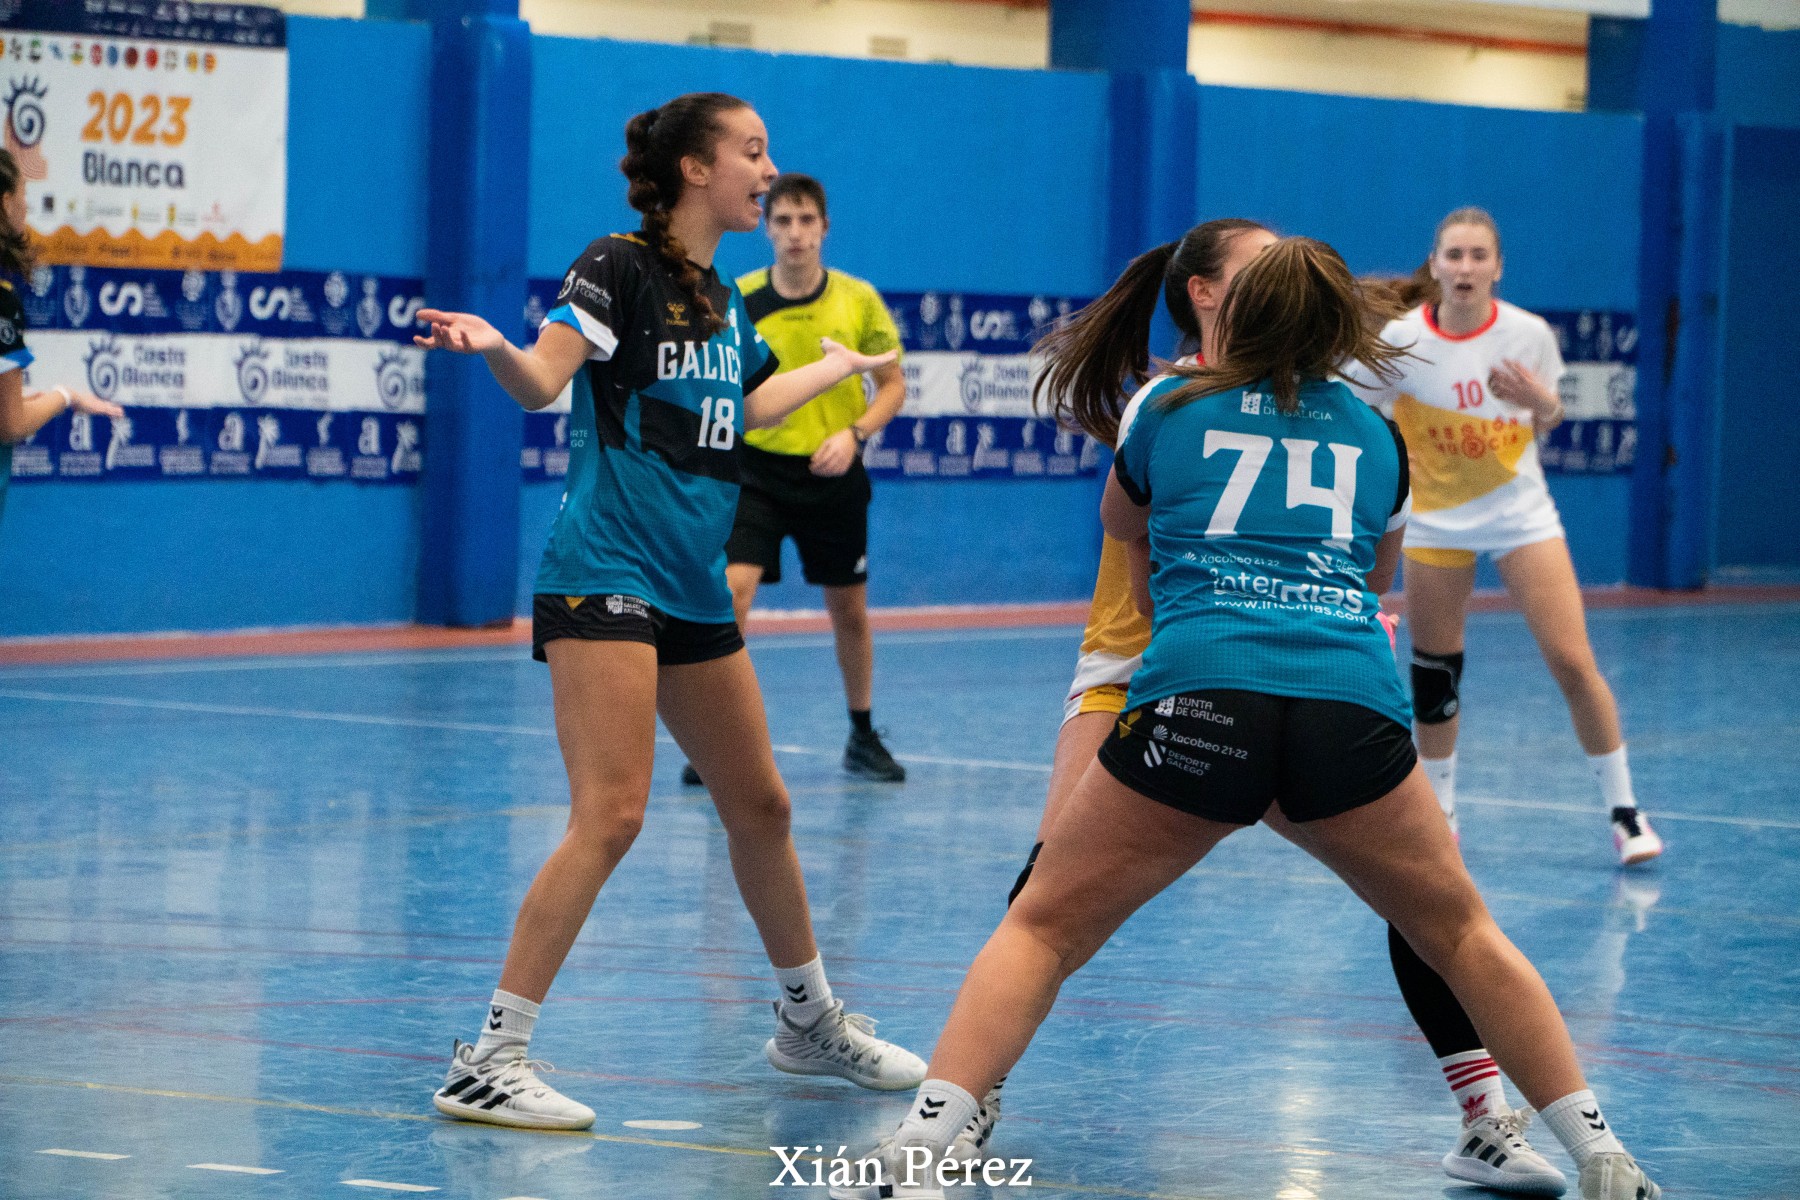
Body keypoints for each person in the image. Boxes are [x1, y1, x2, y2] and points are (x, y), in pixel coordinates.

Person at [830, 238, 1659, 1200]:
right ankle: (1603, 1155)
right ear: (1339, 328)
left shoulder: (1165, 408)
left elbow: (1135, 555)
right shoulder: (1378, 436)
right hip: (1347, 709)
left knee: (1042, 925)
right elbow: (1374, 579)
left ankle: (920, 1149)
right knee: (1462, 931)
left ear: (1236, 310)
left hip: (1198, 697)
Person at [412, 92, 925, 1131]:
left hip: (689, 581)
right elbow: (542, 381)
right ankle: (489, 1060)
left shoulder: (722, 296)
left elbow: (751, 405)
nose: (768, 172)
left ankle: (807, 1022)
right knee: (612, 813)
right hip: (606, 569)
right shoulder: (619, 266)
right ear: (696, 168)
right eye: (752, 152)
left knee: (762, 807)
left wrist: (831, 372)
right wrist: (498, 346)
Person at [1349, 207, 1663, 867]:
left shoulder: (1528, 335)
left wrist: (1540, 402)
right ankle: (1441, 813)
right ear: (1435, 265)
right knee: (1436, 674)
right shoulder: (1402, 340)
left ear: (1498, 267)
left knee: (1573, 661)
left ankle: (1625, 812)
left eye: (1478, 256)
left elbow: (1548, 417)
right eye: (1454, 255)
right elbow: (1353, 406)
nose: (1465, 268)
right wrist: (1390, 458)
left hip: (1520, 515)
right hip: (1435, 522)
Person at [680, 172, 908, 787]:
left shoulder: (858, 300)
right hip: (754, 471)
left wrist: (855, 434)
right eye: (782, 221)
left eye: (807, 221)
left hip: (833, 472)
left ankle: (862, 734)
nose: (795, 233)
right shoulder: (739, 297)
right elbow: (714, 380)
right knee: (732, 595)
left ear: (825, 228)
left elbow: (892, 386)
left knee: (849, 611)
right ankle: (715, 739)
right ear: (767, 230)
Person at [0, 148, 124, 528]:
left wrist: (15, 399)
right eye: (24, 194)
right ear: (5, 203)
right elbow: (10, 425)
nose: (26, 205)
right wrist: (65, 396)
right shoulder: (3, 301)